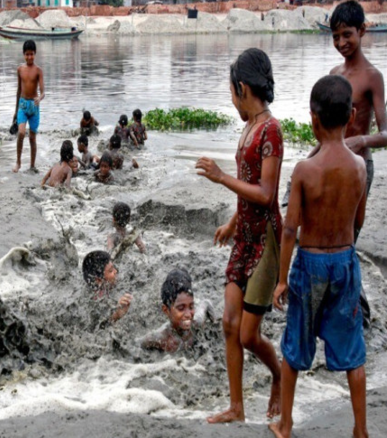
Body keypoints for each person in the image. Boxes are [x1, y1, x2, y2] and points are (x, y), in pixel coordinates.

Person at [269, 75, 368, 438]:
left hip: (310, 264)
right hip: (344, 260)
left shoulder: (305, 170)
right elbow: (359, 219)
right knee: (352, 350)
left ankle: (286, 423)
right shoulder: (358, 167)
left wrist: (281, 280)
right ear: (353, 115)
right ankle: (360, 430)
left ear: (312, 118)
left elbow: (290, 230)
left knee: (295, 344)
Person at [282, 0, 386, 327]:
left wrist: (360, 141)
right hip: (327, 168)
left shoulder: (372, 77)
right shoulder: (334, 75)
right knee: (325, 240)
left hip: (358, 169)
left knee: (346, 241)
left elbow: (386, 132)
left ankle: (361, 314)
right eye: (335, 36)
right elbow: (324, 136)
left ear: (362, 31)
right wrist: (304, 164)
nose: (341, 43)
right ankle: (335, 309)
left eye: (347, 35)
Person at [195, 48, 283, 423]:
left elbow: (265, 194)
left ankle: (279, 376)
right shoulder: (248, 127)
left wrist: (220, 177)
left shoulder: (271, 130)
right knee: (228, 323)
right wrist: (232, 223)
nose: (233, 102)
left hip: (266, 242)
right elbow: (249, 188)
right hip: (243, 237)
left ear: (242, 88)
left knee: (249, 335)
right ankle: (237, 407)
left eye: (233, 93)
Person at [140, 268, 214, 353]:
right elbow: (136, 345)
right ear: (166, 310)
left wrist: (214, 322)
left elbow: (206, 303)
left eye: (191, 307)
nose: (188, 315)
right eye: (181, 308)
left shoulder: (197, 322)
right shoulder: (160, 339)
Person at [12, 40, 45, 173]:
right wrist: (15, 112)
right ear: (23, 54)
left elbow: (43, 91)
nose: (29, 57)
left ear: (35, 54)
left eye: (32, 54)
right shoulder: (20, 69)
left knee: (32, 138)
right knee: (21, 133)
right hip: (23, 105)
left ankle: (32, 165)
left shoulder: (38, 71)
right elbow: (18, 90)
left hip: (34, 107)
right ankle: (18, 162)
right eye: (27, 54)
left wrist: (40, 98)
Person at [82, 250, 132, 323]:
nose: (116, 271)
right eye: (111, 270)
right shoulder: (95, 301)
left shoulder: (108, 285)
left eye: (114, 267)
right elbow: (97, 326)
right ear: (99, 280)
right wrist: (116, 315)